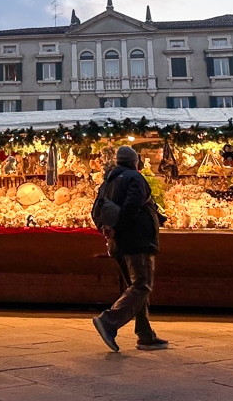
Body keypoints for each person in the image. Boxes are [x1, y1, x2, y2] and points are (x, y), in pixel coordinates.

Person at [92, 145, 168, 352]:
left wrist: (106, 229)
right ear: (136, 162)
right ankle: (109, 321)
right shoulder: (135, 178)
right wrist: (118, 227)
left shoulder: (107, 181)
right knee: (142, 285)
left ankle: (145, 335)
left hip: (119, 243)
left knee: (135, 289)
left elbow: (95, 210)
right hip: (137, 241)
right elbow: (132, 207)